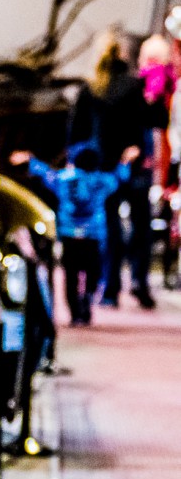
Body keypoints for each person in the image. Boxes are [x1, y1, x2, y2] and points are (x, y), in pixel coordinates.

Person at [68, 30, 167, 309]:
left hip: (103, 168)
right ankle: (139, 282)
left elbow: (76, 131)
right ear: (123, 55)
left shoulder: (90, 88)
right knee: (140, 228)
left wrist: (78, 163)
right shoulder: (135, 86)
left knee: (109, 230)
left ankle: (109, 287)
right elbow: (154, 120)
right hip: (133, 165)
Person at [10, 144, 139, 325]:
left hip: (69, 234)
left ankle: (74, 311)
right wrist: (125, 161)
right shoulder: (102, 181)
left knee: (70, 274)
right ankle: (86, 299)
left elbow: (45, 172)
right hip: (93, 235)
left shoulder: (63, 179)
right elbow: (119, 178)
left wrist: (30, 159)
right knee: (93, 272)